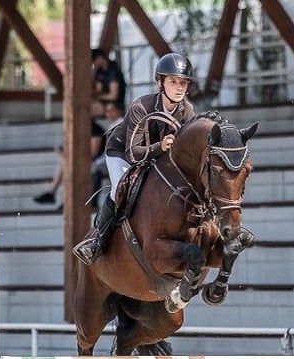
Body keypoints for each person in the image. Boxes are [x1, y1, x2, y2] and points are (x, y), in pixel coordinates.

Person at [74, 52, 195, 265]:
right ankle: (97, 240)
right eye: (173, 82)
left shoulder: (187, 111)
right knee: (119, 187)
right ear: (161, 82)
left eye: (183, 83)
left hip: (157, 158)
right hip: (123, 153)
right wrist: (161, 146)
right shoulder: (142, 106)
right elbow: (133, 153)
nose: (179, 88)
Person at [34, 120, 106, 212]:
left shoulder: (95, 130)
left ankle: (56, 195)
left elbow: (92, 155)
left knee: (66, 163)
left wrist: (70, 156)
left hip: (97, 163)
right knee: (65, 163)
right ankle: (57, 196)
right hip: (83, 162)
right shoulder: (78, 131)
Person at [91, 48, 126, 118]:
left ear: (100, 58)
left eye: (94, 61)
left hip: (116, 104)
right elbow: (99, 90)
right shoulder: (99, 71)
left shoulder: (113, 70)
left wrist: (97, 97)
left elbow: (113, 96)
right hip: (104, 101)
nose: (94, 64)